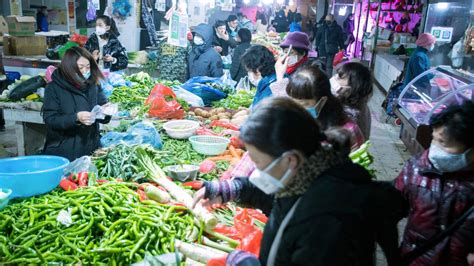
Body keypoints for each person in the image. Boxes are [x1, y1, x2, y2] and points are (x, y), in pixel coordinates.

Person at [193, 97, 406, 266]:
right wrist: (234, 188)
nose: (256, 171)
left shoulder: (329, 220)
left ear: (290, 160)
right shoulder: (310, 172)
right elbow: (279, 196)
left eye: (258, 162)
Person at [395, 101, 474, 266]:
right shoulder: (416, 168)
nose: (434, 150)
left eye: (443, 143)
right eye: (434, 140)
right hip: (415, 260)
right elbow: (392, 205)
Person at [42, 47, 111, 161]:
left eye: (88, 67)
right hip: (64, 151)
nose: (85, 71)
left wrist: (106, 112)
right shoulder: (54, 88)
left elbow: (103, 109)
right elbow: (51, 120)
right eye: (81, 67)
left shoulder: (93, 85)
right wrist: (76, 118)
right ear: (69, 68)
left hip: (91, 148)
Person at [286, 64, 365, 150]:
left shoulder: (349, 132)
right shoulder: (289, 118)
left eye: (303, 104)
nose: (295, 109)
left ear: (322, 101)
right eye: (291, 102)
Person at [330, 62, 373, 140]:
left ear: (353, 86)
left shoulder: (350, 113)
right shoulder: (359, 103)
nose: (334, 79)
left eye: (340, 78)